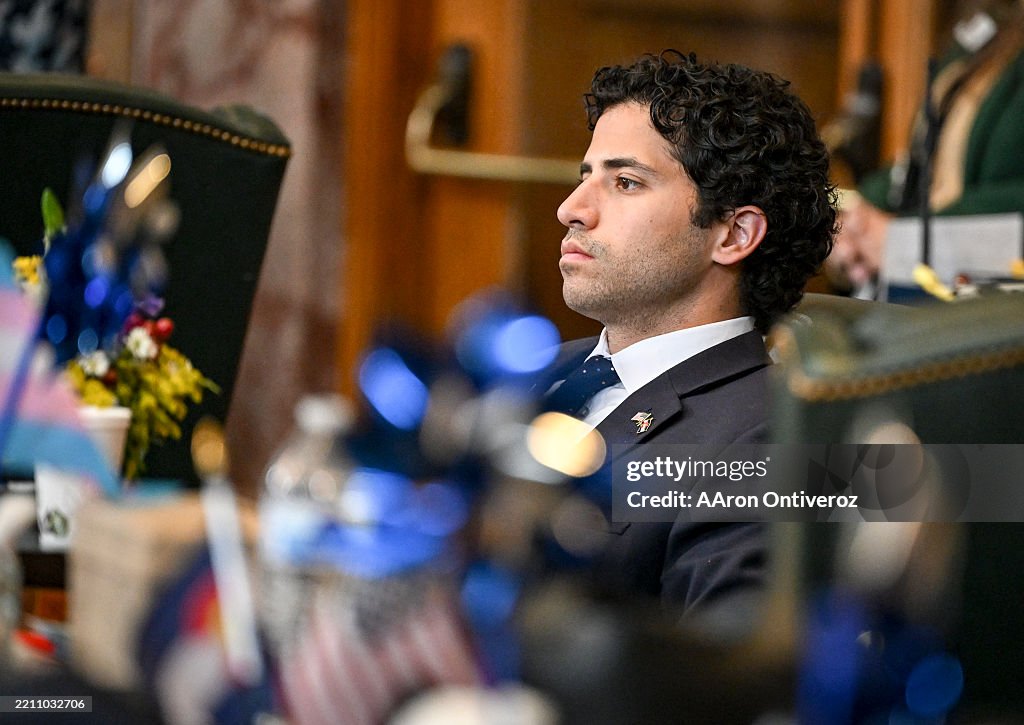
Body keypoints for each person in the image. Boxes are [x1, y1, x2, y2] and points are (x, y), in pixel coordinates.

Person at [541, 50, 836, 616]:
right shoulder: (545, 372)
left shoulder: (768, 436)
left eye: (625, 182)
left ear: (733, 234)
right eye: (585, 178)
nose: (570, 210)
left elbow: (717, 682)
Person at [827, 0, 1024, 293]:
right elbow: (922, 158)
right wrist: (859, 222)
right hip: (933, 275)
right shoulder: (992, 20)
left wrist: (904, 236)